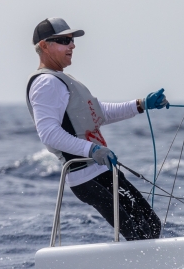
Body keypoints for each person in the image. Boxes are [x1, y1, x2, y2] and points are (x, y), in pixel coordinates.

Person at [25, 18, 169, 241]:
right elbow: (49, 134)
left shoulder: (63, 79)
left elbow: (99, 112)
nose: (72, 45)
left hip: (101, 171)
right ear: (44, 46)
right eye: (64, 40)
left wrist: (141, 104)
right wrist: (92, 150)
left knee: (150, 226)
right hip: (85, 176)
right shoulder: (46, 83)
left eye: (72, 40)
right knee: (140, 233)